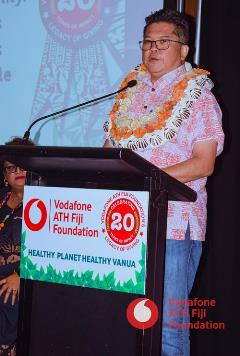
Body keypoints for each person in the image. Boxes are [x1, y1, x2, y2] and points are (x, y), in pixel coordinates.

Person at [103, 9, 224, 356]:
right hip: (124, 224)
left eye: (163, 42)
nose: (152, 49)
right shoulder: (128, 94)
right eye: (147, 42)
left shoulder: (199, 99)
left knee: (169, 328)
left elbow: (204, 164)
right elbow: (110, 153)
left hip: (173, 227)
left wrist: (146, 179)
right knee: (125, 320)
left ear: (183, 50)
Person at [0, 137, 34, 356]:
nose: (18, 171)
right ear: (4, 175)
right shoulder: (1, 199)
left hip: (19, 281)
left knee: (10, 296)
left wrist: (21, 275)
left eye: (24, 165)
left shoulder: (45, 201)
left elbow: (51, 250)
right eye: (11, 167)